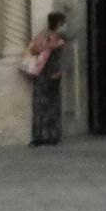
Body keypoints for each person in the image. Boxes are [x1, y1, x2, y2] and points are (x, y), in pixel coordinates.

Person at [28, 12, 68, 147]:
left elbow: (63, 57)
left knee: (53, 105)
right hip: (41, 73)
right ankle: (38, 136)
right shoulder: (44, 34)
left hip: (54, 73)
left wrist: (60, 71)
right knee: (40, 104)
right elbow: (34, 50)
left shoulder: (62, 38)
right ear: (57, 23)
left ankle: (53, 135)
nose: (64, 26)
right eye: (62, 23)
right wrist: (51, 45)